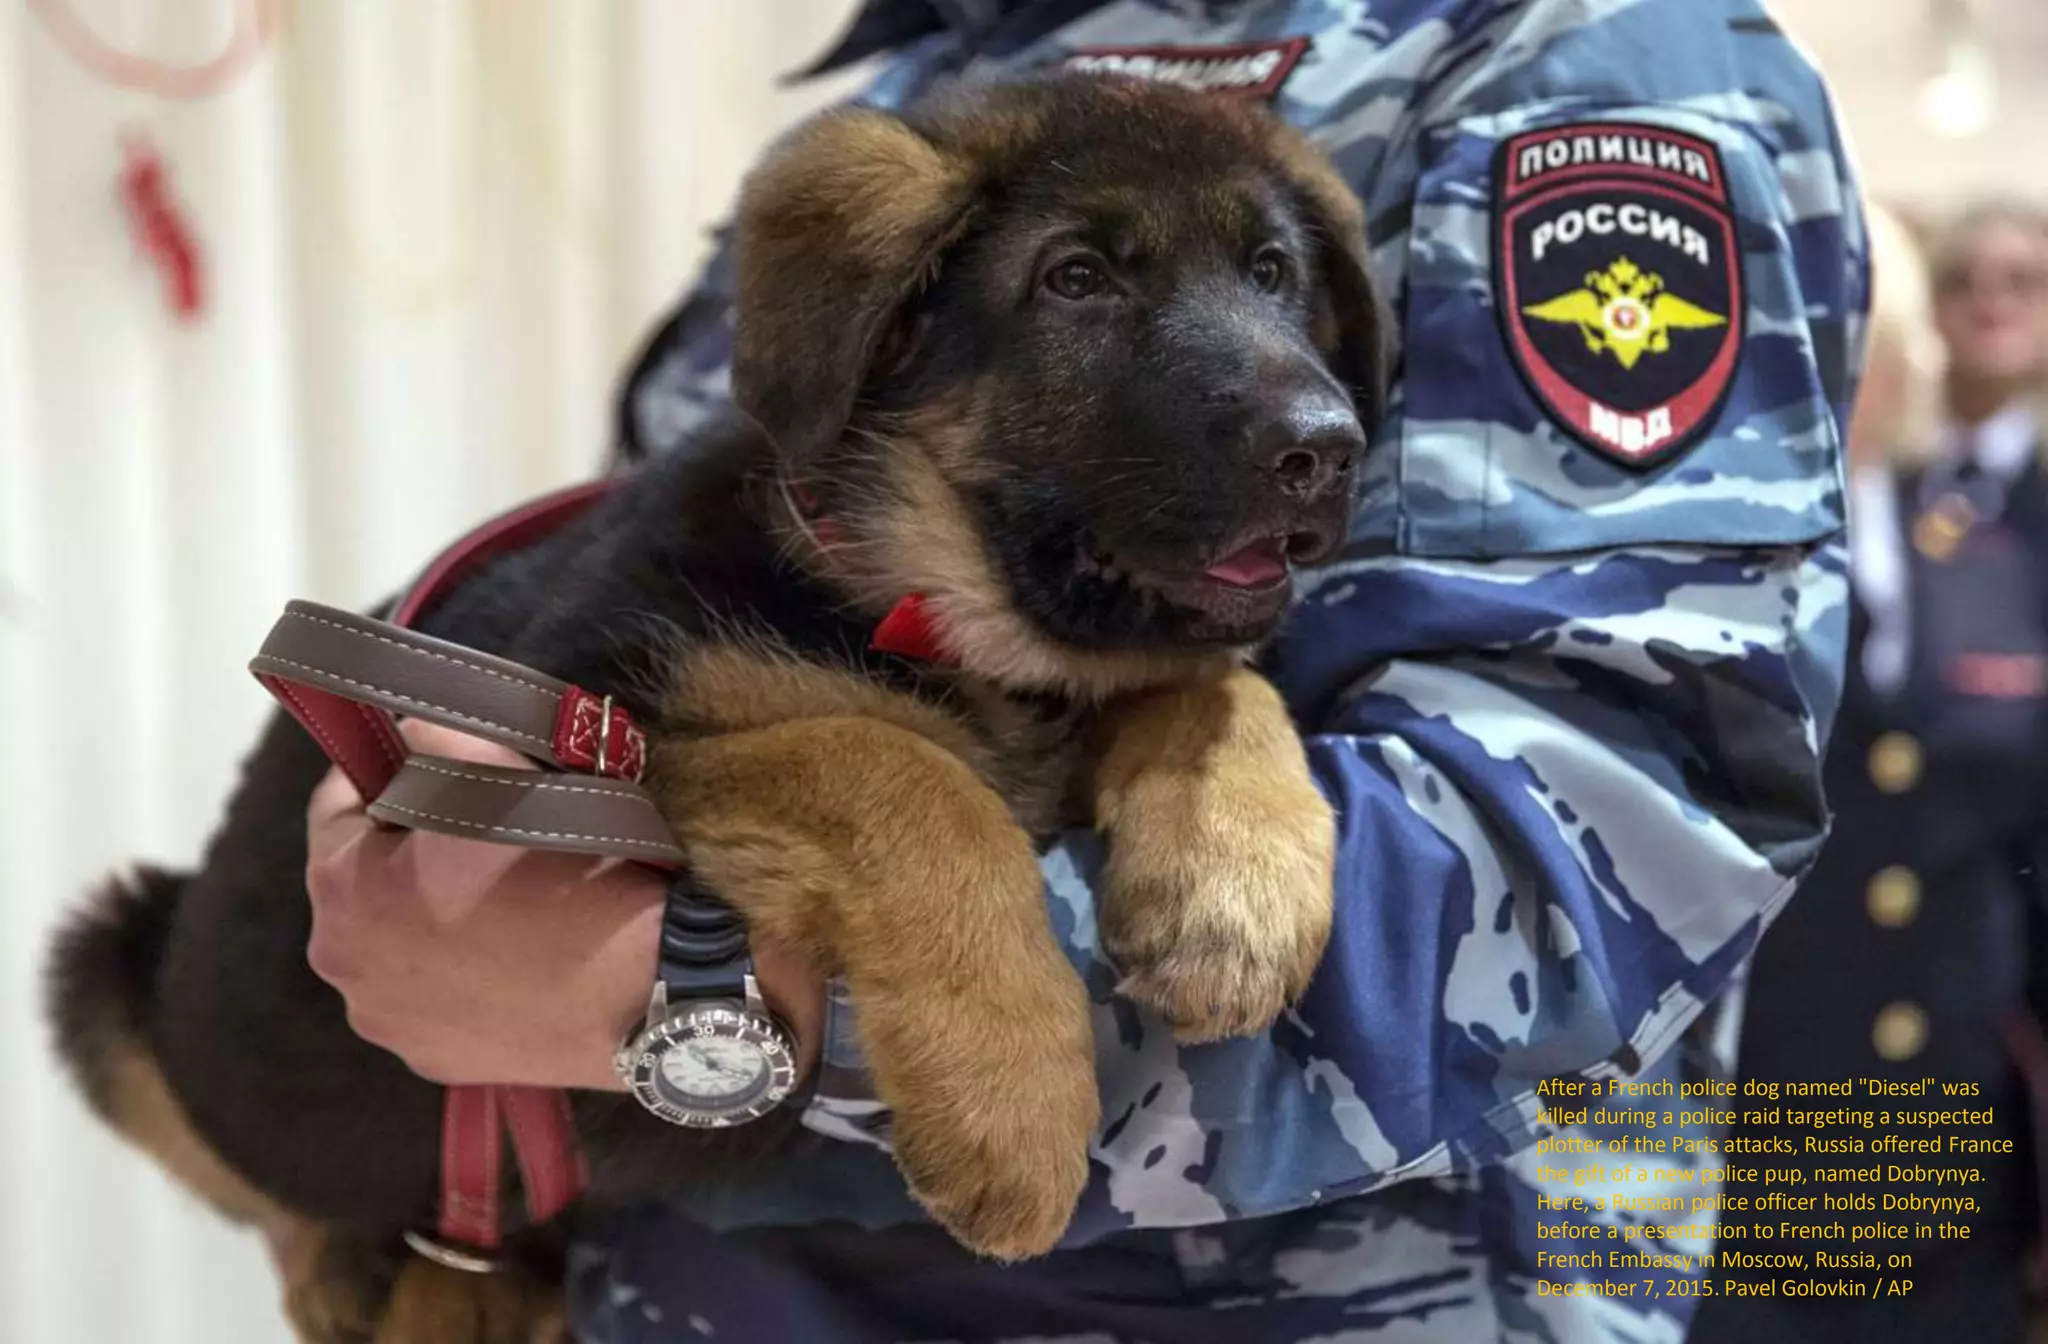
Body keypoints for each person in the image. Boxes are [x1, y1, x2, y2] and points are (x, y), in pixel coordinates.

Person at [304, 2, 1869, 1339]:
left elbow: (1612, 833)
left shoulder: (1566, 57)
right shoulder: (919, 93)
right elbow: (702, 623)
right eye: (1083, 285)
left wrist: (734, 1007)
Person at [1691, 200, 2048, 1344]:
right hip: (1727, 1163)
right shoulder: (1681, 577)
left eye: (1856, 341)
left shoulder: (1989, 550)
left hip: (1955, 1168)